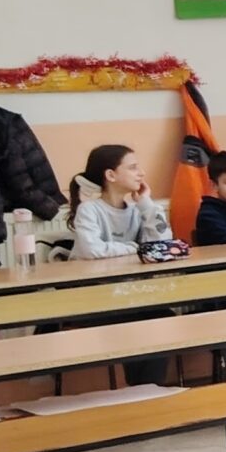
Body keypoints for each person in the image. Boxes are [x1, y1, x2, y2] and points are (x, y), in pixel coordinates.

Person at [68, 145, 173, 385]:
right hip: (95, 299)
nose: (141, 173)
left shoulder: (137, 210)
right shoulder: (89, 210)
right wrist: (136, 248)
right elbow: (92, 250)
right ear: (111, 175)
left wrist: (146, 203)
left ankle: (147, 390)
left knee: (163, 317)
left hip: (130, 296)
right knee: (134, 324)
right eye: (133, 167)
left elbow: (163, 245)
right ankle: (143, 391)